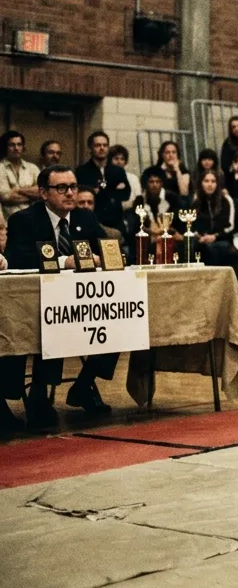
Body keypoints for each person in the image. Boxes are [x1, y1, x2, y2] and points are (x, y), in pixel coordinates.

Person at [0, 166, 117, 432]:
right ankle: (36, 393)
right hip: (35, 303)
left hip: (81, 303)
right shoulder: (24, 220)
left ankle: (84, 383)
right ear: (43, 193)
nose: (70, 193)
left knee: (119, 317)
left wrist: (104, 257)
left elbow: (105, 248)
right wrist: (65, 261)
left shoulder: (84, 218)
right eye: (61, 188)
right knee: (47, 325)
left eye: (73, 186)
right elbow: (20, 259)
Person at [191, 170, 238, 268]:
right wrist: (199, 237)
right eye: (206, 181)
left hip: (222, 239)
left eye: (213, 181)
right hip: (202, 240)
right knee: (194, 247)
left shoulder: (226, 200)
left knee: (214, 249)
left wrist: (215, 236)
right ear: (201, 183)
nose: (210, 184)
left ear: (217, 184)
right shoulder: (196, 203)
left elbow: (230, 227)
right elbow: (192, 226)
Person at [0, 130, 41, 221]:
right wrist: (31, 194)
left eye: (19, 144)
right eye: (12, 145)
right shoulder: (0, 168)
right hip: (9, 221)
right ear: (5, 147)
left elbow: (42, 192)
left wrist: (18, 190)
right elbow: (5, 196)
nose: (16, 148)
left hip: (33, 219)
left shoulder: (32, 168)